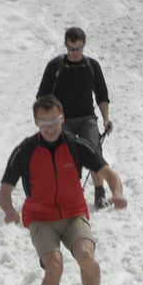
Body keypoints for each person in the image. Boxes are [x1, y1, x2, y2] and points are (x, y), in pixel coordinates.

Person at [0, 95, 127, 285]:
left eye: (55, 122)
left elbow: (109, 174)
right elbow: (5, 190)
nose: (50, 128)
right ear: (36, 122)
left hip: (74, 214)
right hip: (40, 218)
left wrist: (116, 192)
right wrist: (9, 209)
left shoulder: (76, 144)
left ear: (62, 118)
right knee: (54, 265)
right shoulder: (25, 150)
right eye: (44, 123)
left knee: (86, 255)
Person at [35, 27, 113, 210]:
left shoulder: (92, 66)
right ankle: (68, 193)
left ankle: (99, 193)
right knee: (65, 155)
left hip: (87, 118)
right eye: (71, 49)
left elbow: (102, 95)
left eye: (78, 49)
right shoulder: (55, 66)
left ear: (84, 44)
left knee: (94, 151)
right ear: (65, 45)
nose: (75, 53)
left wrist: (106, 119)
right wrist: (48, 119)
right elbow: (42, 96)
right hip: (62, 120)